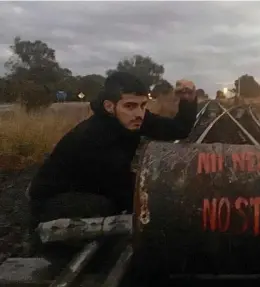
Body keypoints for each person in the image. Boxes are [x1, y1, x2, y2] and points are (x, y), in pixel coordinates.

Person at [28, 72, 198, 227]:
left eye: (143, 105)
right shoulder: (93, 138)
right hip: (52, 201)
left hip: (93, 186)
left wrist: (187, 99)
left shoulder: (132, 118)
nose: (139, 113)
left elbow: (179, 129)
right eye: (130, 106)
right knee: (108, 207)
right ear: (110, 106)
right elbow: (124, 191)